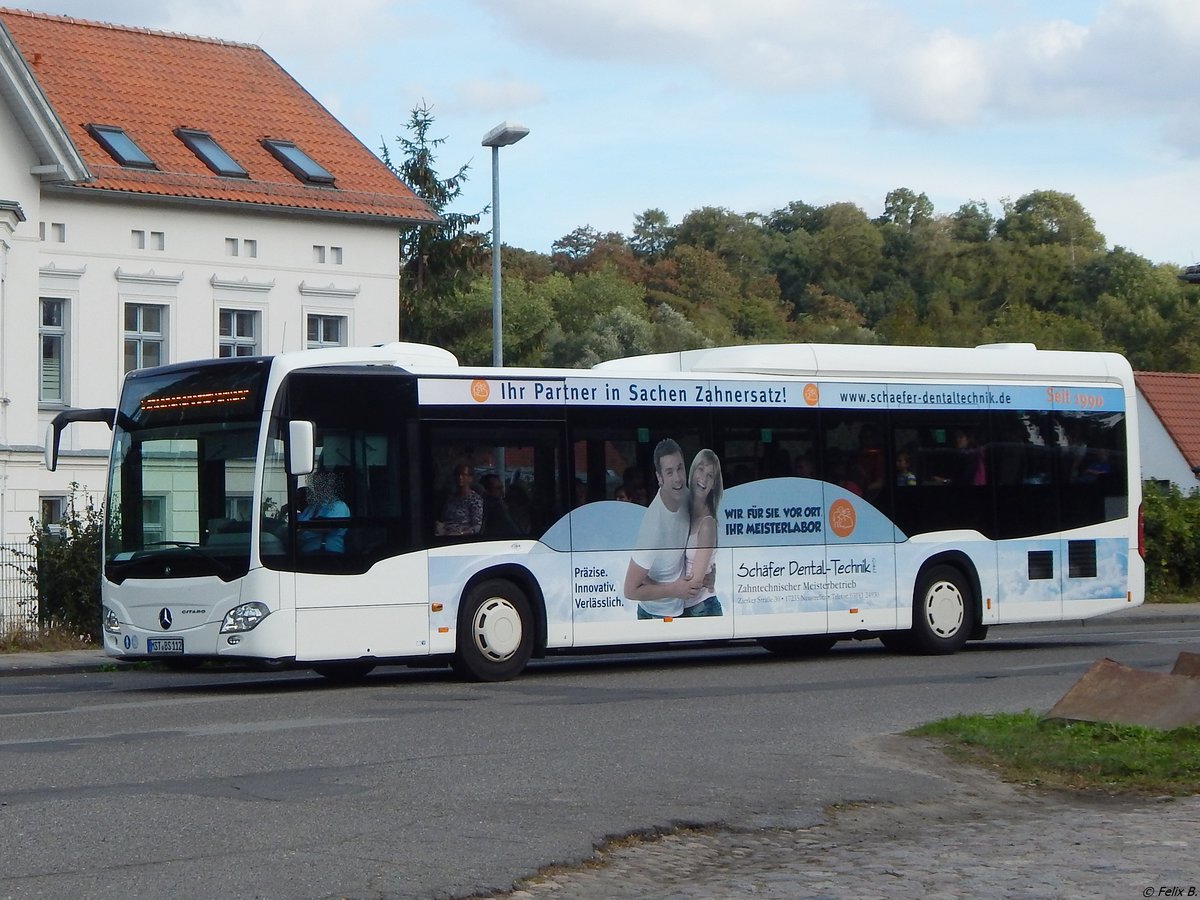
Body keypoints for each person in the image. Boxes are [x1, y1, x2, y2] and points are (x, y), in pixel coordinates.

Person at [623, 438, 698, 619]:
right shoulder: (654, 526)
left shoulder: (687, 497)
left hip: (680, 608)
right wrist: (675, 589)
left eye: (680, 468)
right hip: (655, 616)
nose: (678, 478)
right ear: (660, 478)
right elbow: (630, 590)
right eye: (669, 472)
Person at [680, 449, 723, 618]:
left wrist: (653, 589)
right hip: (682, 607)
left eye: (710, 475)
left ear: (714, 484)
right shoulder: (682, 511)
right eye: (700, 469)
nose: (703, 479)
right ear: (692, 470)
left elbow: (696, 582)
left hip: (702, 608)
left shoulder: (707, 524)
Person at [296, 469, 350, 553]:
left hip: (327, 553)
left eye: (320, 483)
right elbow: (298, 522)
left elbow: (327, 527)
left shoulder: (338, 505)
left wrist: (303, 528)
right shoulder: (312, 507)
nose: (317, 487)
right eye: (315, 484)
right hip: (306, 551)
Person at [436, 463, 483, 536]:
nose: (460, 477)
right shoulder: (450, 498)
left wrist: (459, 533)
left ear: (470, 478)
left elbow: (477, 527)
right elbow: (443, 519)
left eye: (464, 475)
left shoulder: (475, 500)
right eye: (457, 475)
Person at [480, 473, 521, 537]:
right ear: (487, 491)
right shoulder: (496, 507)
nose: (502, 492)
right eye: (498, 488)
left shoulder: (504, 505)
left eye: (502, 488)